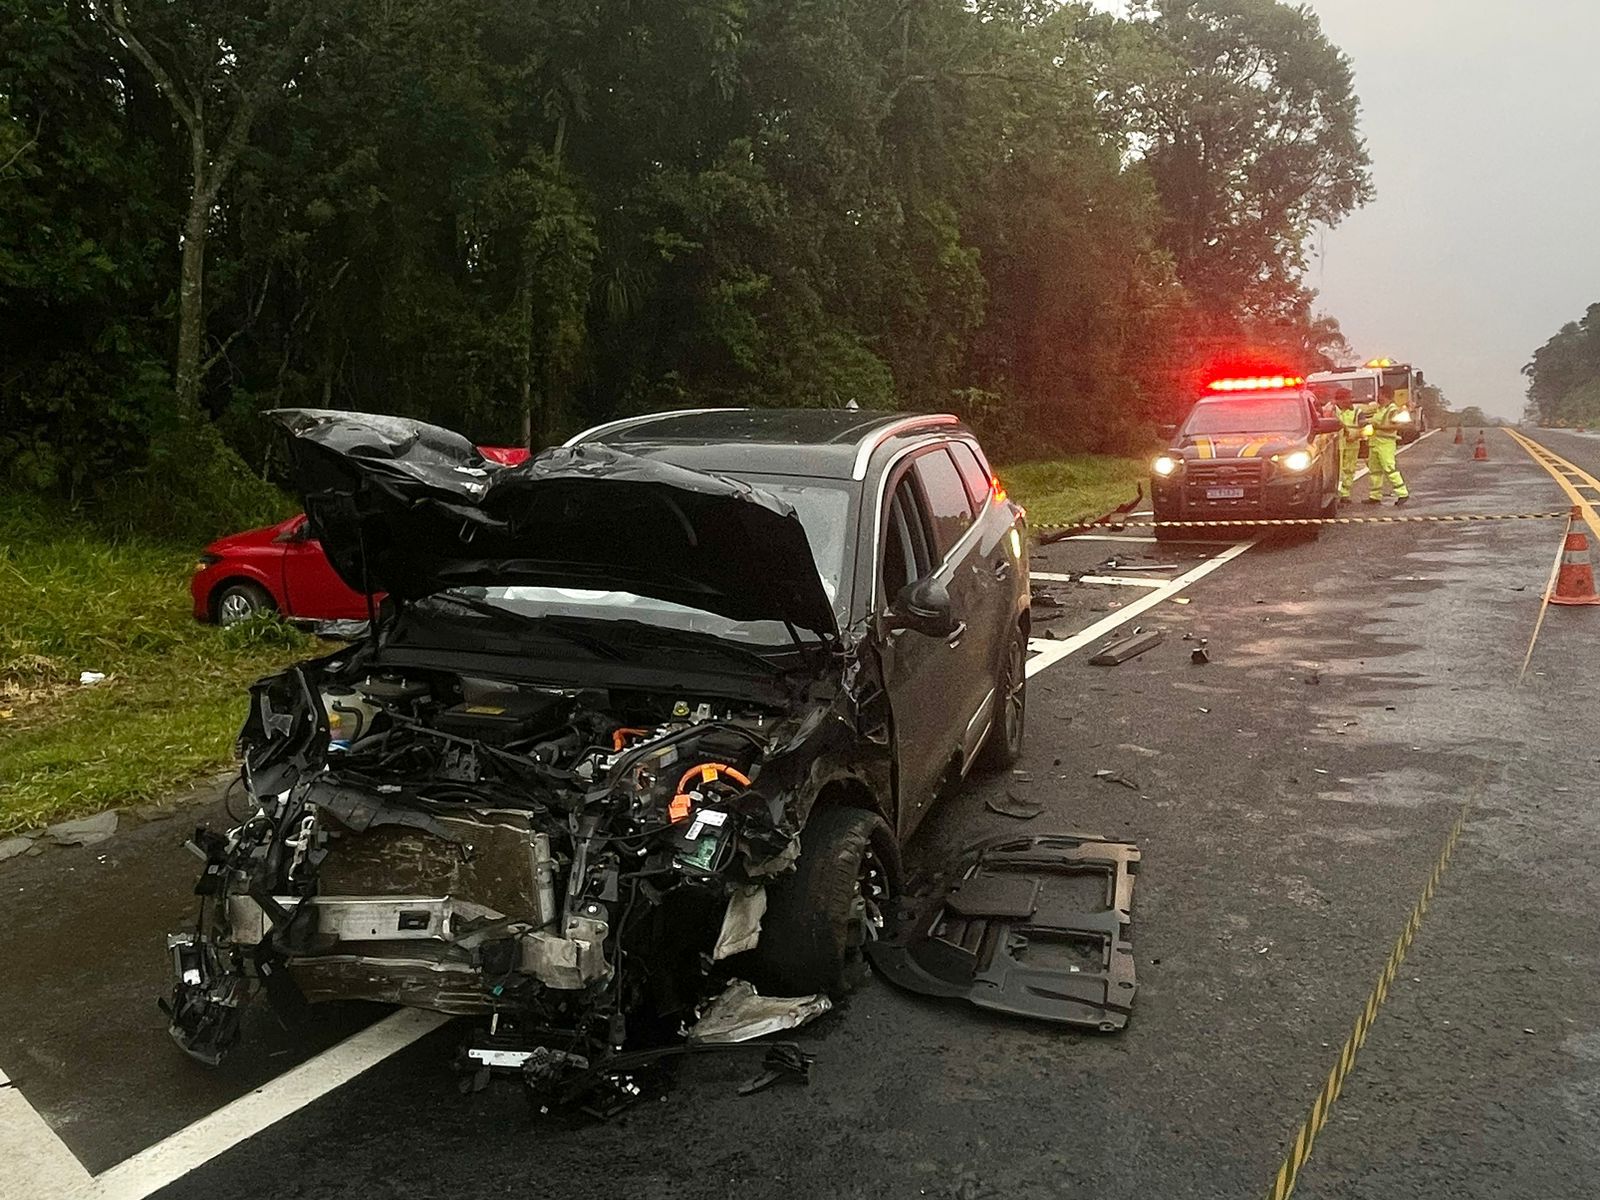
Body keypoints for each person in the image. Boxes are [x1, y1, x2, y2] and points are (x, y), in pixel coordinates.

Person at [1364, 385, 1410, 505]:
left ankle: (1402, 493)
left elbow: (1398, 426)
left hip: (1386, 443)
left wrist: (1379, 427)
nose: (1378, 396)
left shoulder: (1392, 410)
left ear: (1385, 395)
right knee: (1375, 470)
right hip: (1374, 443)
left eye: (1379, 394)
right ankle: (1375, 496)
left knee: (1389, 468)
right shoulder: (1379, 409)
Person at [1333, 387, 1366, 503]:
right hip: (1336, 445)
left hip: (1353, 444)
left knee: (1349, 470)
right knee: (1337, 470)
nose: (1350, 401)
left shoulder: (1357, 411)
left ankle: (1345, 495)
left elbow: (1365, 427)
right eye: (1348, 398)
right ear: (1340, 400)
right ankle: (1335, 494)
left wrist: (1357, 435)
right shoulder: (1332, 410)